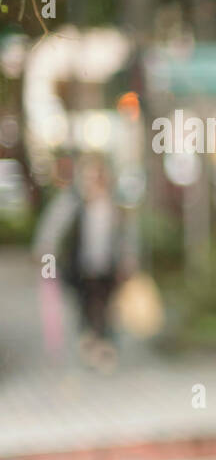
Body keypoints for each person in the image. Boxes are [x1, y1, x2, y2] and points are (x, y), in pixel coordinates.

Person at [31, 153, 139, 372]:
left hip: (109, 267)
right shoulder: (73, 201)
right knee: (86, 306)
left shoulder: (115, 204)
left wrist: (129, 259)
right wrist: (44, 251)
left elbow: (127, 235)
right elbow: (53, 227)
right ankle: (92, 344)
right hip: (81, 267)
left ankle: (103, 346)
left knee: (106, 307)